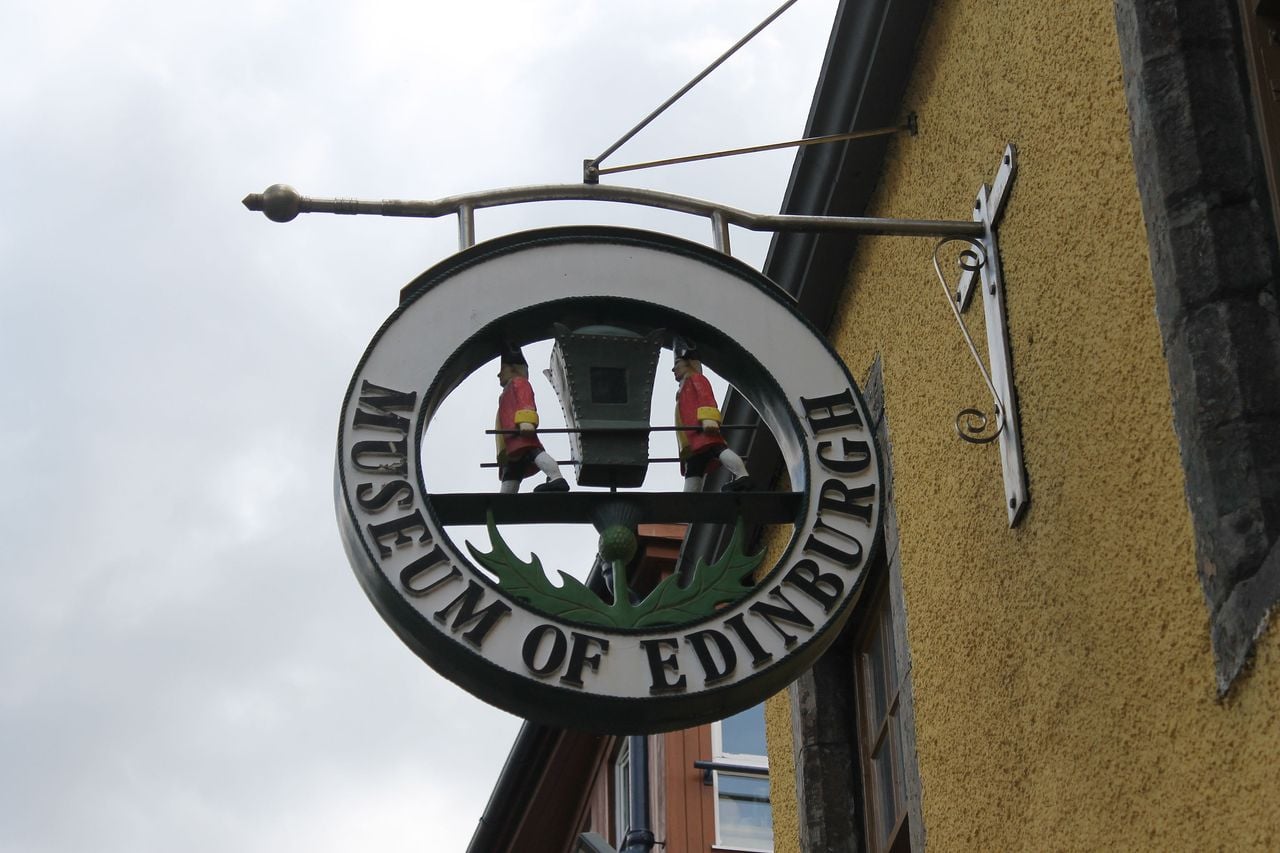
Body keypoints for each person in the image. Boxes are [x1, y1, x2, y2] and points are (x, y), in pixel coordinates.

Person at [672, 336, 753, 493]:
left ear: (688, 363)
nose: (674, 369)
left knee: (719, 450)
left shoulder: (696, 379)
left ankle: (742, 475)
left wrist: (709, 420)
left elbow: (706, 398)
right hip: (692, 439)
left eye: (677, 364)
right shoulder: (683, 389)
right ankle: (690, 502)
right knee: (694, 470)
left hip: (702, 431)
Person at [495, 343, 569, 494]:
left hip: (520, 432)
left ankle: (556, 478)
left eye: (502, 369)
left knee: (533, 452)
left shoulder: (519, 383)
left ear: (513, 368)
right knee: (512, 470)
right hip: (511, 439)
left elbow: (525, 401)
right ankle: (505, 501)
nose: (499, 374)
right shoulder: (505, 393)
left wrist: (526, 421)